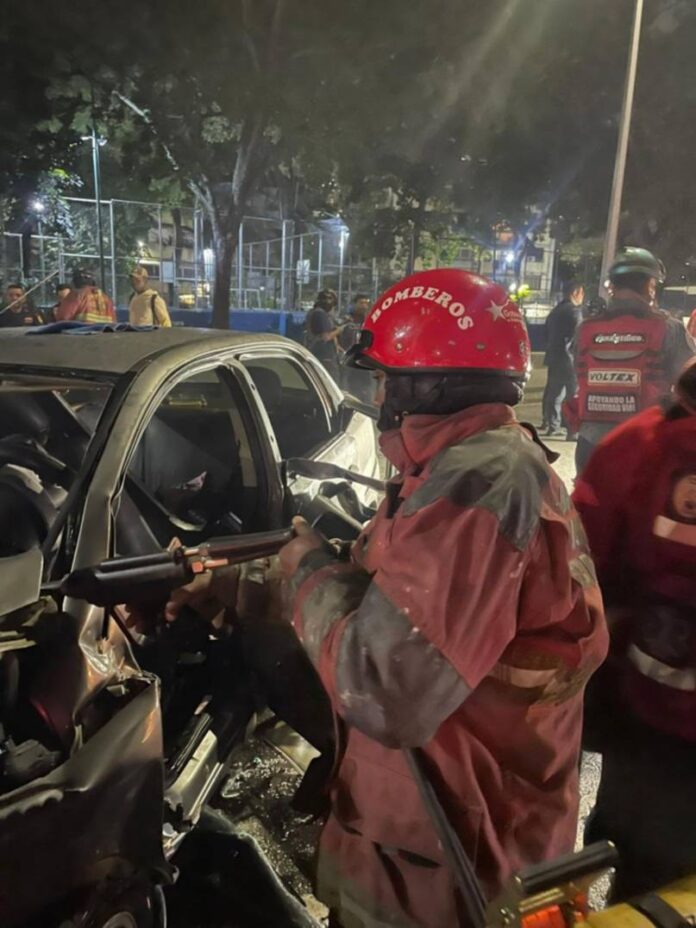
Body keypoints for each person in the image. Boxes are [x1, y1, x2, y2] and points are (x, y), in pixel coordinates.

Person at [276, 269, 607, 926]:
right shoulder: (467, 467)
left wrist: (298, 569)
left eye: (383, 380)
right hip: (442, 830)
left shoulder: (480, 485)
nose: (376, 398)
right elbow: (393, 601)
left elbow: (382, 689)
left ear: (423, 386)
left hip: (461, 861)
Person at [574, 358, 696, 901]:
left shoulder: (641, 445)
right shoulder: (641, 444)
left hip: (657, 733)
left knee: (646, 890)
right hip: (655, 731)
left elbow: (579, 579)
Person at [574, 247, 694, 475]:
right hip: (645, 442)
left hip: (590, 445)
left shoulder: (585, 329)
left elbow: (578, 371)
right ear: (650, 285)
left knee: (589, 507)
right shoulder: (669, 328)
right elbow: (691, 382)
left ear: (613, 286)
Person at [541, 280, 584, 437]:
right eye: (581, 293)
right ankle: (573, 430)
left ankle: (553, 425)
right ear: (575, 293)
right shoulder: (574, 311)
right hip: (569, 359)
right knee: (573, 394)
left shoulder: (554, 312)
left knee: (554, 393)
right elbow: (579, 336)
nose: (582, 297)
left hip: (554, 356)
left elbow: (545, 333)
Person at [339, 293, 374, 402]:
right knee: (349, 391)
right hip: (349, 361)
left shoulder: (370, 320)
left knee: (367, 392)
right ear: (354, 304)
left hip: (365, 362)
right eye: (361, 303)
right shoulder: (346, 320)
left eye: (365, 303)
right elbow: (337, 336)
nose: (363, 306)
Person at [305, 289, 343, 381]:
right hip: (324, 357)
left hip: (319, 354)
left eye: (330, 298)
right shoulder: (320, 313)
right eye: (325, 298)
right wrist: (340, 330)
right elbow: (326, 337)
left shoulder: (315, 312)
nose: (327, 301)